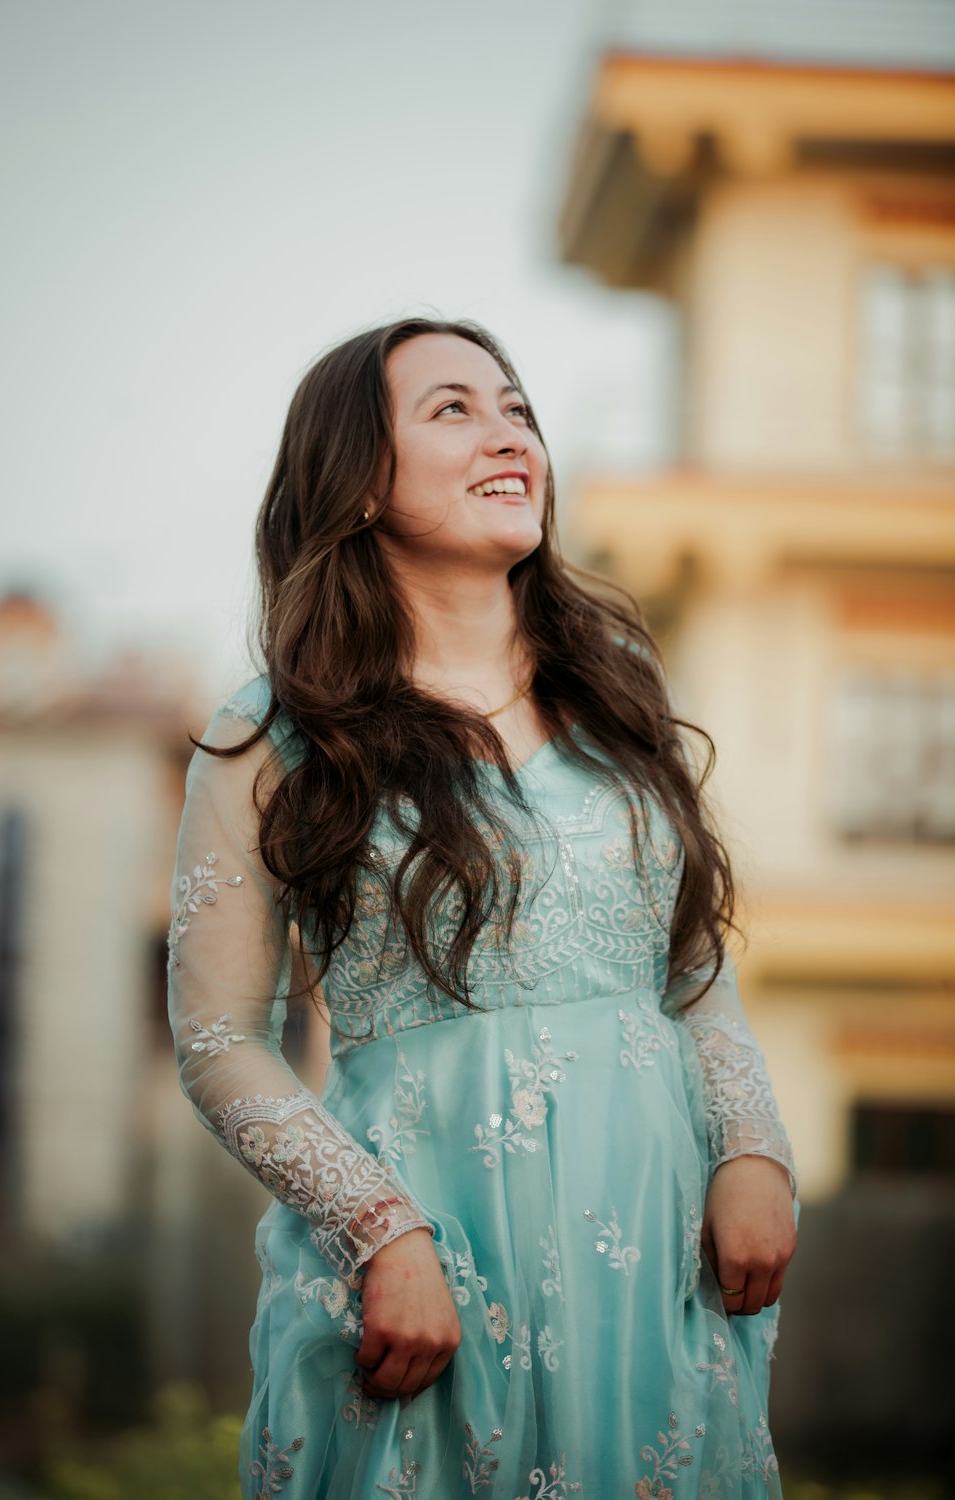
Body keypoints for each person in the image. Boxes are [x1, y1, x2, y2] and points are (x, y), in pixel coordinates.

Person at [167, 317, 798, 1498]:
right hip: (427, 1258)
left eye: (515, 408)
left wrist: (753, 1150)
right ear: (356, 482)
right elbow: (216, 1042)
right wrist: (380, 1231)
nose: (509, 434)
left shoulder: (617, 691)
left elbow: (689, 965)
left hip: (651, 1253)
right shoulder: (271, 737)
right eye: (453, 409)